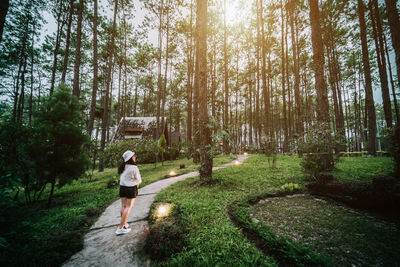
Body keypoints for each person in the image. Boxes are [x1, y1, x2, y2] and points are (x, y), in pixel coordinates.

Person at [116, 150, 142, 235]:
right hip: (130, 188)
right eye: (134, 156)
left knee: (123, 206)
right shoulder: (134, 168)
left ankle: (124, 223)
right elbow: (138, 180)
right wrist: (137, 187)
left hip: (122, 188)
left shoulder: (122, 167)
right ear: (130, 158)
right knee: (128, 207)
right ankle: (120, 228)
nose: (135, 157)